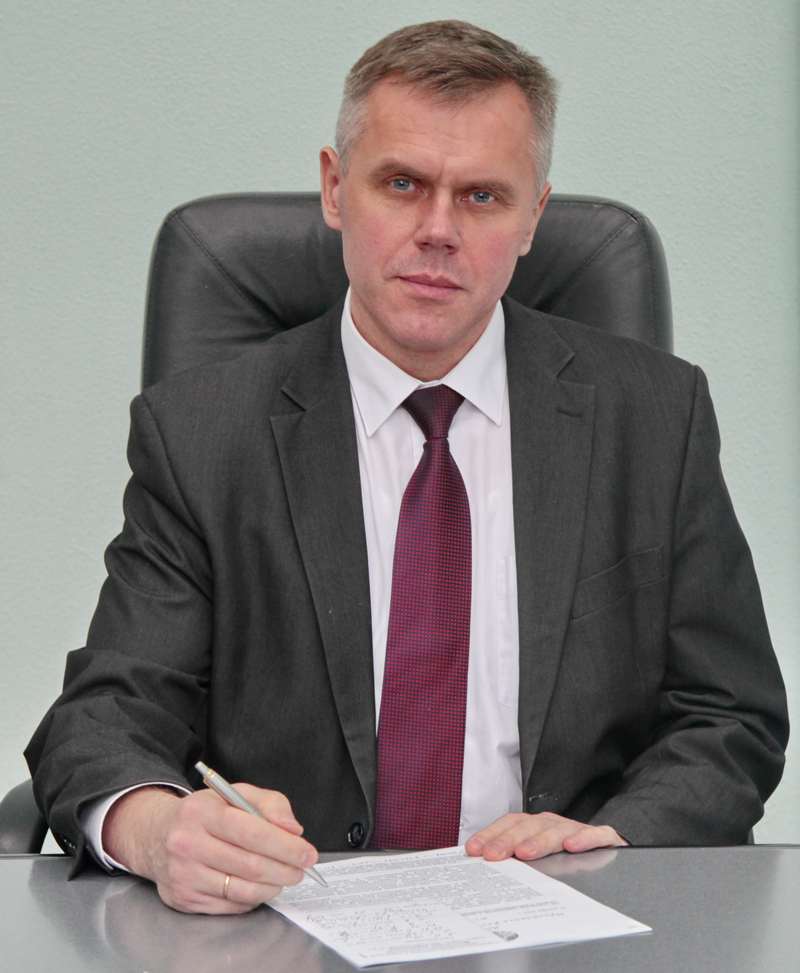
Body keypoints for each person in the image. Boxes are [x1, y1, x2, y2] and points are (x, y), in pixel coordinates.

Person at [26, 20, 788, 915]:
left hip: (566, 919)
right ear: (334, 188)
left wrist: (615, 838)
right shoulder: (202, 433)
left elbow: (729, 714)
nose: (437, 231)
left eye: (482, 196)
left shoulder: (654, 416)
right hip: (288, 922)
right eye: (402, 184)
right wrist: (158, 830)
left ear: (533, 218)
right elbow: (103, 717)